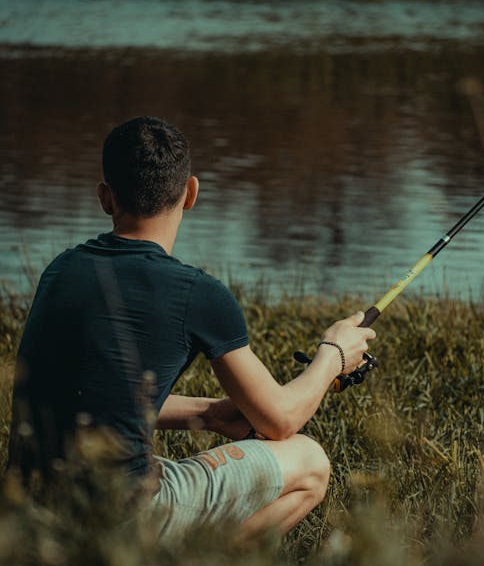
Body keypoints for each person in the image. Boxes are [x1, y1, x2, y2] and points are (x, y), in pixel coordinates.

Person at [8, 116, 375, 543]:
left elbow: (88, 394)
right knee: (309, 462)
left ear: (106, 198)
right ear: (191, 194)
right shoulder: (196, 293)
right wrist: (333, 354)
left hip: (29, 509)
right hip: (120, 522)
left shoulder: (61, 270)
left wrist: (212, 414)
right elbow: (281, 421)